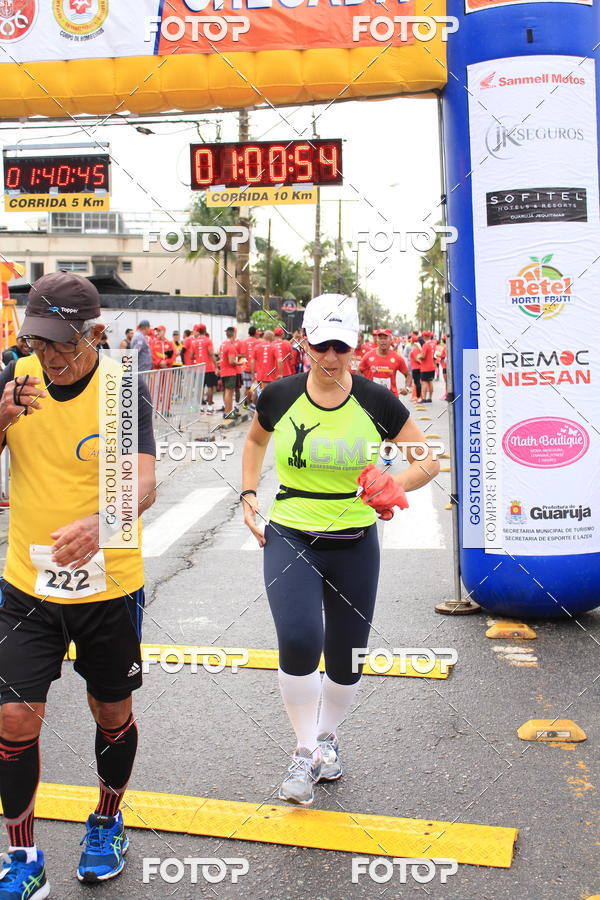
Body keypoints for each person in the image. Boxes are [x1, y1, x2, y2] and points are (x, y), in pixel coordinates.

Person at [241, 293, 439, 806]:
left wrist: (397, 483)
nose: (331, 358)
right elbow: (255, 442)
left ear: (354, 346)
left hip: (354, 538)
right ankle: (303, 749)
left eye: (341, 347)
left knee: (347, 653)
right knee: (301, 638)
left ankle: (328, 737)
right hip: (290, 532)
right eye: (321, 346)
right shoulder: (279, 396)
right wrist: (246, 494)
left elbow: (427, 461)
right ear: (303, 342)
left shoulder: (377, 402)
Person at [0, 271, 156, 894]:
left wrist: (102, 520)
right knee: (12, 718)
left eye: (62, 344)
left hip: (107, 585)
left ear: (94, 333)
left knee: (110, 711)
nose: (49, 357)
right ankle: (22, 858)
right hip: (26, 587)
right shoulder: (18, 381)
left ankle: (106, 821)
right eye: (38, 342)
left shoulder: (121, 388)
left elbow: (144, 482)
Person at [358, 329, 412, 397]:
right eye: (380, 338)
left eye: (385, 338)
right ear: (377, 340)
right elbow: (359, 371)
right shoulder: (368, 356)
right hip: (372, 396)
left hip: (391, 397)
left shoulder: (397, 358)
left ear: (391, 340)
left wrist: (407, 389)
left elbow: (408, 375)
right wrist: (364, 385)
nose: (383, 341)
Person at [189, 324, 219, 414]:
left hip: (199, 368)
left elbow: (191, 357)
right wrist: (216, 366)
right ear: (205, 330)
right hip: (209, 368)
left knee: (199, 388)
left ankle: (201, 407)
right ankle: (209, 408)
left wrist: (198, 357)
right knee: (210, 387)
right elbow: (211, 354)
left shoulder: (194, 342)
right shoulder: (208, 341)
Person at [219, 326, 240, 420]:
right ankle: (228, 412)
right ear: (234, 334)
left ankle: (228, 411)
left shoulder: (223, 344)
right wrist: (240, 363)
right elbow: (231, 361)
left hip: (223, 370)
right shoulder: (230, 346)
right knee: (229, 392)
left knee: (226, 392)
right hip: (230, 372)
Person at [418, 330, 437, 403]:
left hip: (425, 367)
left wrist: (418, 356)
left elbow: (423, 356)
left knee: (424, 383)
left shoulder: (425, 345)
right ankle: (430, 398)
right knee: (430, 382)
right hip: (432, 366)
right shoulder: (433, 344)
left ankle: (424, 398)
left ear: (424, 337)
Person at [409, 336, 423, 403]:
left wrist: (422, 363)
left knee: (417, 383)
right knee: (417, 382)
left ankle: (418, 397)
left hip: (416, 368)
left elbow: (416, 359)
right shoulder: (418, 348)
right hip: (417, 368)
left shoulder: (415, 349)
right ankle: (418, 397)